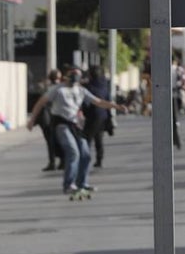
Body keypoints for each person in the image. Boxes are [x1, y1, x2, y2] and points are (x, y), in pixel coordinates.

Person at [29, 67, 124, 197]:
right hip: (61, 123)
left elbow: (98, 102)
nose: (75, 77)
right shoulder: (58, 89)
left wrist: (115, 106)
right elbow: (40, 103)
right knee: (73, 151)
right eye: (73, 74)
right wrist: (31, 120)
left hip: (75, 125)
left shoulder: (81, 90)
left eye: (78, 75)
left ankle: (82, 183)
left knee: (85, 154)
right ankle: (69, 185)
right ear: (67, 75)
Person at [27, 70, 62, 171]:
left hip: (47, 118)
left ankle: (53, 161)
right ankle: (60, 161)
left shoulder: (47, 89)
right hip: (54, 118)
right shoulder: (59, 88)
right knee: (57, 140)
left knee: (51, 141)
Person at [82, 67, 112, 168]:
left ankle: (85, 158)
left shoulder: (89, 87)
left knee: (87, 139)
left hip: (92, 116)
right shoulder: (104, 86)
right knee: (99, 139)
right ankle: (99, 159)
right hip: (103, 116)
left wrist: (84, 113)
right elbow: (107, 100)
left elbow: (86, 103)